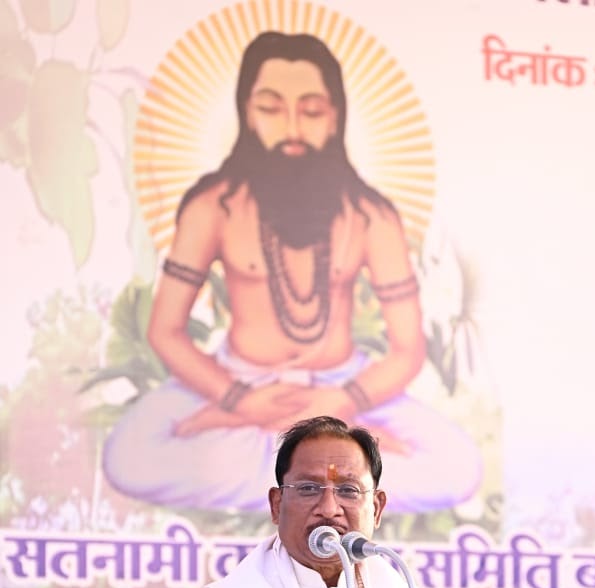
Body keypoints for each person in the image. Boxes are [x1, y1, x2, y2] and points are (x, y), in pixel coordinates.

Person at [103, 31, 481, 512]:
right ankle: (333, 475)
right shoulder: (213, 207)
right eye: (271, 108)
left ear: (335, 117)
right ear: (247, 113)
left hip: (343, 385)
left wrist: (342, 403)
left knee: (457, 468)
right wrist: (240, 401)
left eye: (312, 110)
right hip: (239, 378)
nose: (292, 128)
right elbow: (166, 330)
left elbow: (407, 350)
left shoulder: (371, 216)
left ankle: (294, 473)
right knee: (127, 458)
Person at [181, 416, 446, 588]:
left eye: (348, 490)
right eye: (308, 488)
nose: (329, 509)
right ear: (277, 505)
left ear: (376, 509)